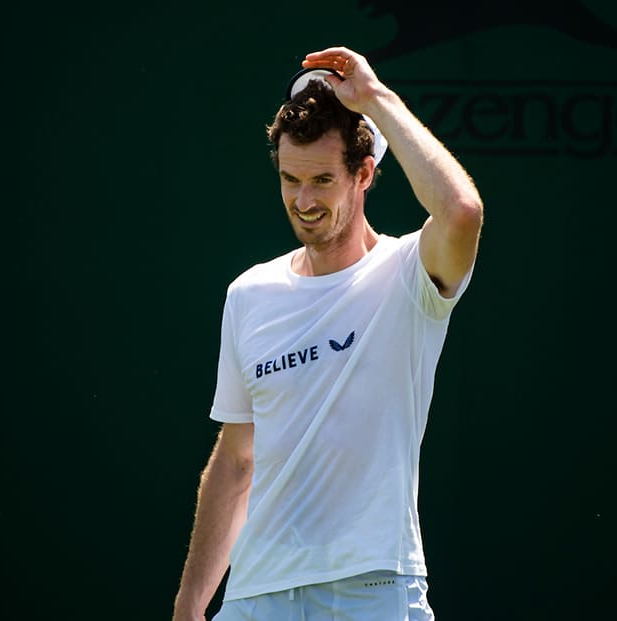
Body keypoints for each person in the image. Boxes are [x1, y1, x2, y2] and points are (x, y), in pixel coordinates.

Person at [172, 46, 483, 620]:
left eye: (321, 180)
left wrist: (375, 100)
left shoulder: (409, 274)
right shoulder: (249, 295)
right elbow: (238, 459)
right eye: (290, 179)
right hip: (254, 597)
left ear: (363, 174)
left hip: (372, 591)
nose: (303, 200)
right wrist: (191, 603)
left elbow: (462, 211)